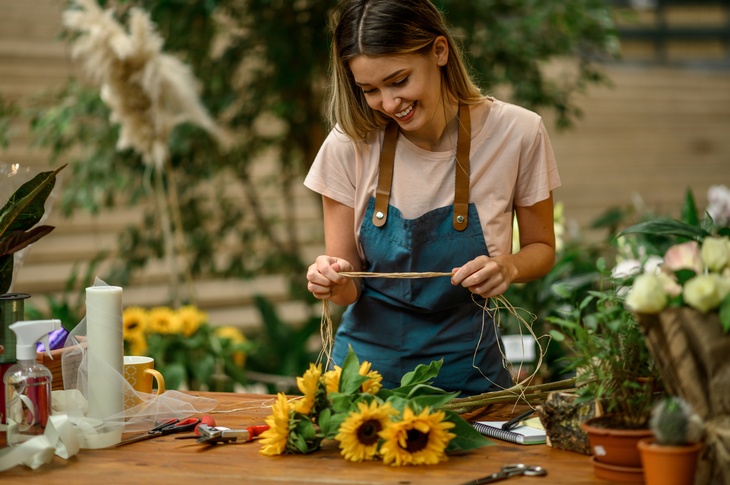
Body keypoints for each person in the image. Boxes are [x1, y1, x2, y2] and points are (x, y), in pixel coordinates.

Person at [304, 0, 560, 396]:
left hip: (471, 374)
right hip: (362, 382)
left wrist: (507, 267)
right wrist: (330, 278)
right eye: (370, 90)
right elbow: (348, 287)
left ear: (439, 51)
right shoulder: (348, 143)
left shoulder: (519, 133)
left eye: (399, 80)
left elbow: (542, 248)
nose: (389, 104)